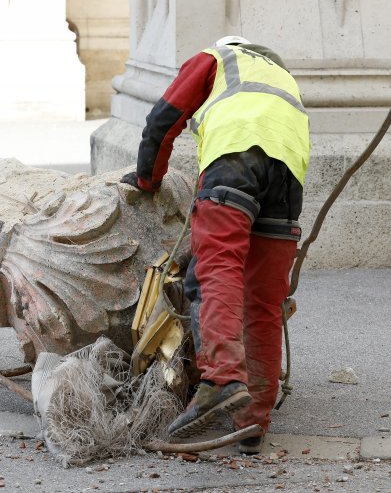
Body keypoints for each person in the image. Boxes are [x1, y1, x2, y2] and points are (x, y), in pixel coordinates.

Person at [120, 35, 310, 454]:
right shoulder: (282, 79)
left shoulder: (217, 58)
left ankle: (222, 378)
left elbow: (163, 118)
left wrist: (147, 179)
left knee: (216, 269)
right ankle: (253, 421)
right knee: (263, 301)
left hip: (235, 163)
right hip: (287, 183)